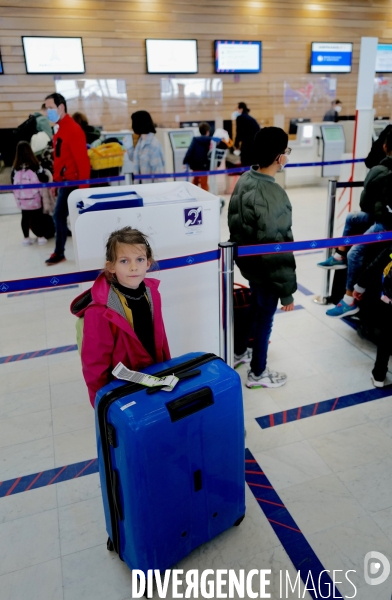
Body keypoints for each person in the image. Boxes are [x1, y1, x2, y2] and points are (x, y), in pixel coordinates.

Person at [70, 227, 171, 406]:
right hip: (123, 390)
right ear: (111, 266)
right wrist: (101, 404)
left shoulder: (152, 292)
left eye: (139, 259)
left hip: (152, 380)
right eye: (124, 261)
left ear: (148, 263)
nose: (133, 267)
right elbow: (94, 364)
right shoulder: (100, 310)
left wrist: (167, 370)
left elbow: (161, 340)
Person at [228, 127, 297, 389]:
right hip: (266, 270)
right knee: (265, 318)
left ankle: (238, 352)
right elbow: (277, 246)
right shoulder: (274, 195)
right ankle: (258, 373)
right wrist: (287, 292)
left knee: (255, 308)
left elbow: (235, 223)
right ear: (280, 157)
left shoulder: (245, 179)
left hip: (249, 264)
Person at [318, 131, 392, 318]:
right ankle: (339, 254)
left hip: (386, 223)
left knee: (356, 251)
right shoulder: (382, 168)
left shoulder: (382, 171)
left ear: (385, 147)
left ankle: (349, 299)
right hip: (381, 215)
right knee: (352, 218)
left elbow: (368, 202)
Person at [44, 93, 90, 265]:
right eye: (47, 108)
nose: (48, 111)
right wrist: (55, 182)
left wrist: (83, 190)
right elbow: (59, 160)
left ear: (61, 107)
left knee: (63, 216)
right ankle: (60, 251)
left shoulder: (72, 129)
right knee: (61, 216)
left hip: (73, 183)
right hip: (64, 182)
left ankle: (61, 252)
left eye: (50, 108)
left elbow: (83, 163)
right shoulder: (60, 129)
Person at [353, 245, 392, 387]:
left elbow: (377, 263)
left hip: (389, 300)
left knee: (386, 336)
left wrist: (360, 286)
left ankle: (379, 375)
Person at [11, 140, 50, 246]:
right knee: (37, 217)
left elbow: (12, 183)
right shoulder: (35, 166)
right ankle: (40, 237)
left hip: (22, 200)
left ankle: (26, 238)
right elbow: (44, 178)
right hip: (35, 198)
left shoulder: (15, 168)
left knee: (24, 217)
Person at [127, 110, 165, 183]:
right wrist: (129, 147)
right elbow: (135, 160)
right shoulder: (140, 141)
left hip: (150, 190)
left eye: (133, 122)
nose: (131, 126)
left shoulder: (154, 145)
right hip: (140, 187)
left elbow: (159, 173)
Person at [183, 122, 211, 191]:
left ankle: (192, 194)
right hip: (204, 166)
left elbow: (190, 151)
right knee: (204, 183)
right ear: (207, 131)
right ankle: (205, 197)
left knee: (195, 181)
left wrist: (185, 161)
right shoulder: (210, 140)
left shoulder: (195, 140)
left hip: (195, 165)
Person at [234, 102, 260, 167]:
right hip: (255, 147)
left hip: (247, 146)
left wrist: (236, 144)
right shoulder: (252, 119)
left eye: (237, 108)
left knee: (245, 167)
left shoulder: (240, 118)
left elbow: (239, 132)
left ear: (241, 109)